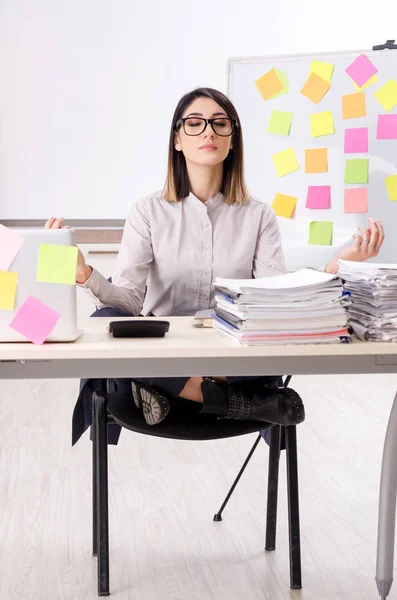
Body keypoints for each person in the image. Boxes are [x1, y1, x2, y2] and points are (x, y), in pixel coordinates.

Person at [46, 87, 384, 433]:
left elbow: (274, 299)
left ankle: (177, 391)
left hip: (232, 356)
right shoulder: (147, 212)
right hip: (166, 353)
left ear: (232, 139)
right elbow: (130, 301)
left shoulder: (258, 216)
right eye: (195, 123)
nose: (208, 131)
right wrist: (85, 273)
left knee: (269, 342)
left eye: (220, 123)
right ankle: (234, 402)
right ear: (177, 139)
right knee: (108, 321)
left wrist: (334, 267)